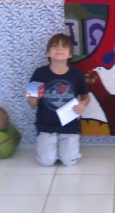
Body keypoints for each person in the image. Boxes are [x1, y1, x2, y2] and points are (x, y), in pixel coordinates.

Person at [27, 33, 90, 166]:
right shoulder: (39, 73)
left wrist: (83, 104)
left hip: (70, 126)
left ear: (70, 54)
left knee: (69, 161)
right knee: (46, 162)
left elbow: (86, 96)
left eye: (64, 47)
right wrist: (32, 97)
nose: (59, 49)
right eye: (55, 46)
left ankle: (67, 146)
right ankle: (51, 147)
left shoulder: (77, 74)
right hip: (46, 125)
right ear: (47, 53)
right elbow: (32, 104)